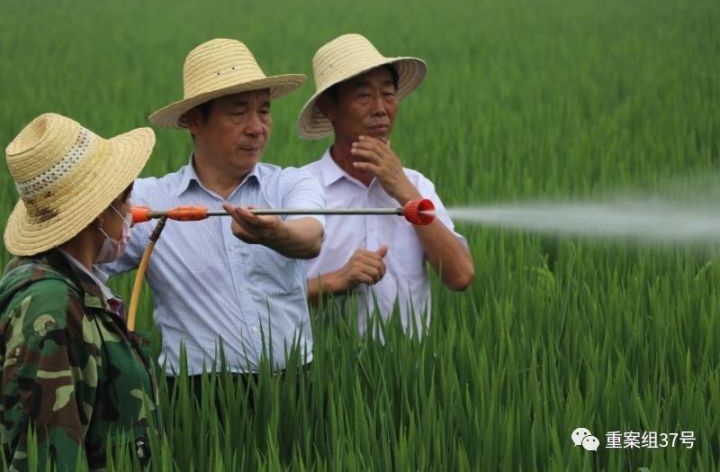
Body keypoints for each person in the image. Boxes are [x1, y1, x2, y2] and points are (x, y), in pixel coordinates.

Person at [100, 38, 325, 380]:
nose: (256, 127)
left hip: (295, 388)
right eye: (238, 112)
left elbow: (311, 237)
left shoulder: (290, 185)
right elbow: (84, 263)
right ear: (194, 120)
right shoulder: (151, 201)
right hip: (196, 400)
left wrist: (274, 234)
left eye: (263, 110)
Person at [0, 113, 157, 470]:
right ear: (100, 213)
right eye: (125, 199)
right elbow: (47, 457)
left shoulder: (73, 289)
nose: (132, 212)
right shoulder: (50, 307)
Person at [298, 34, 474, 335]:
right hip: (322, 372)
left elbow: (460, 276)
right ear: (330, 109)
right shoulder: (301, 189)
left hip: (407, 375)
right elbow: (264, 299)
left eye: (389, 94)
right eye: (363, 96)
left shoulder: (417, 186)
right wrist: (336, 280)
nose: (381, 108)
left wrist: (404, 191)